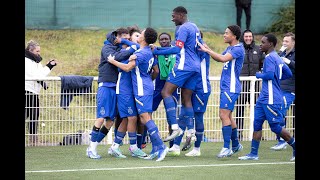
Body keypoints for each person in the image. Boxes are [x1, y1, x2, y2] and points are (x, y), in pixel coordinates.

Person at [108, 27, 169, 162]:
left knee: (145, 117)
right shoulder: (147, 51)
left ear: (144, 38)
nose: (139, 35)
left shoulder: (140, 53)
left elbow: (128, 67)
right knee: (140, 118)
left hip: (141, 89)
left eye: (141, 34)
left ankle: (160, 146)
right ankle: (154, 148)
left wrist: (113, 61)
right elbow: (156, 71)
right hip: (145, 87)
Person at [238, 33, 295, 161]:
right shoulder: (277, 57)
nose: (260, 45)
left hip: (271, 99)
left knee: (275, 127)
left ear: (270, 44)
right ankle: (253, 154)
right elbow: (288, 73)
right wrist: (276, 78)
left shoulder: (270, 58)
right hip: (263, 98)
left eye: (263, 42)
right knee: (257, 124)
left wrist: (259, 75)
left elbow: (269, 75)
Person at [152, 6, 203, 143]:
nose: (172, 18)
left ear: (181, 15)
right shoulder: (194, 26)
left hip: (183, 66)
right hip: (195, 68)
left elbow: (176, 49)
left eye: (174, 16)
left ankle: (175, 128)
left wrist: (156, 51)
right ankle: (191, 132)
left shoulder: (183, 28)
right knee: (186, 98)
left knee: (165, 92)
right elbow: (200, 47)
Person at [86, 27, 136, 159]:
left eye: (127, 38)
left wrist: (129, 48)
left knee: (109, 121)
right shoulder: (107, 48)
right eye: (123, 37)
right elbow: (116, 57)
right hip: (106, 86)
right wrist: (131, 49)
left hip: (116, 88)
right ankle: (92, 148)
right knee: (101, 117)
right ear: (115, 37)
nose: (126, 40)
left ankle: (92, 145)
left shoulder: (119, 48)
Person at [197, 25, 244, 158]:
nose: (224, 35)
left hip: (231, 87)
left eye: (226, 33)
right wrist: (206, 49)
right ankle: (235, 145)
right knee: (228, 116)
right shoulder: (230, 48)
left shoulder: (238, 49)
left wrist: (207, 50)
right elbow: (218, 57)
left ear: (234, 36)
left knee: (223, 115)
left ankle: (226, 147)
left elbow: (222, 59)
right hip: (226, 87)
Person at [107, 26, 150, 158]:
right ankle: (133, 147)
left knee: (127, 119)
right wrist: (123, 45)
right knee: (132, 118)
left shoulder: (139, 51)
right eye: (136, 36)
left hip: (134, 90)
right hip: (124, 90)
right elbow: (123, 68)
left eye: (139, 36)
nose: (138, 38)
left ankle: (115, 146)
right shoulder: (126, 51)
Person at [168, 31, 211, 156]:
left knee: (198, 117)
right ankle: (176, 146)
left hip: (201, 88)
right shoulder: (190, 51)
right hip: (190, 87)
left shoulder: (202, 49)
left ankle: (197, 149)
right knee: (183, 115)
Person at [25, 40, 57, 146]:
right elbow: (37, 75)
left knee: (34, 116)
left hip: (34, 92)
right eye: (37, 51)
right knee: (31, 115)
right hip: (27, 91)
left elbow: (39, 76)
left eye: (39, 51)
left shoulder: (36, 61)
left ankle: (33, 140)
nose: (39, 53)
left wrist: (43, 83)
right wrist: (49, 66)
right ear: (30, 50)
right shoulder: (26, 61)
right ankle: (33, 140)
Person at [235, 29, 265, 140]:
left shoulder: (259, 49)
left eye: (250, 36)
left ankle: (257, 135)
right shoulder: (238, 49)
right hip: (241, 84)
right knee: (239, 110)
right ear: (243, 37)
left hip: (255, 86)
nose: (248, 38)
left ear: (252, 37)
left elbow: (263, 64)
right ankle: (239, 135)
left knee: (258, 111)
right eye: (246, 36)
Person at [152, 32, 180, 148]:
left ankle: (172, 146)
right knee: (147, 113)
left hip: (172, 88)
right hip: (158, 88)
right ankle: (143, 142)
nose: (164, 41)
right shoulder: (155, 52)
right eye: (162, 39)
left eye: (166, 39)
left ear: (170, 40)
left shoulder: (176, 53)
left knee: (171, 118)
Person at [270, 32, 295, 151]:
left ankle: (284, 141)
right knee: (277, 112)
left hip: (290, 89)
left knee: (280, 111)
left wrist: (288, 61)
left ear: (293, 43)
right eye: (283, 41)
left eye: (287, 41)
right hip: (279, 89)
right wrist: (279, 54)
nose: (284, 43)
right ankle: (282, 140)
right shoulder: (281, 53)